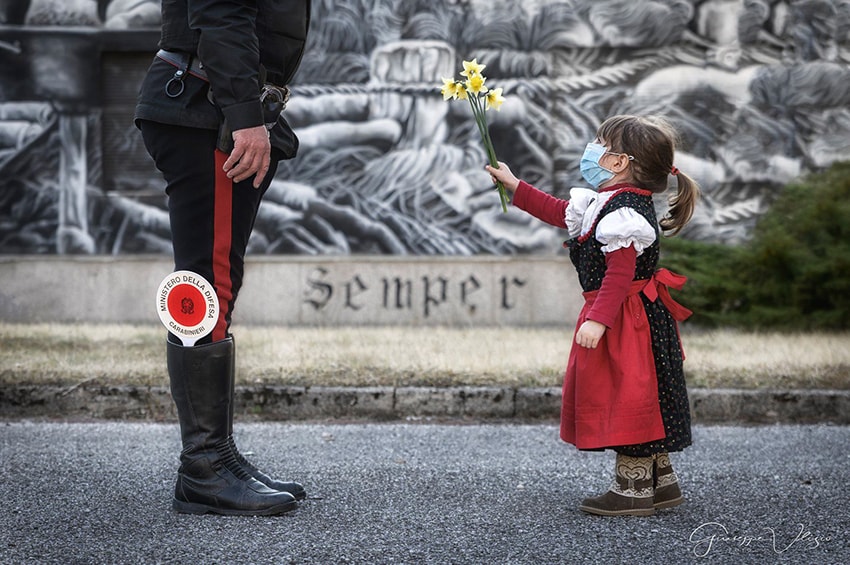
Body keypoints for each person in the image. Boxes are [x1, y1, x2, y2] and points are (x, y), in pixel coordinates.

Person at [134, 0, 311, 516]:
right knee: (206, 286)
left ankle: (219, 455)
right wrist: (244, 116)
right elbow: (221, 13)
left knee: (216, 281)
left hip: (210, 105)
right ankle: (203, 466)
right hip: (206, 110)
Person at [487, 115, 700, 517]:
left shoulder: (625, 216)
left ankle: (632, 492)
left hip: (625, 317)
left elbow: (620, 275)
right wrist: (516, 186)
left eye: (599, 142)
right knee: (643, 392)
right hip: (627, 311)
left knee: (629, 392)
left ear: (618, 162)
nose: (591, 148)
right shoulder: (604, 202)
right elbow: (558, 211)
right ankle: (661, 482)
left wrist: (598, 320)